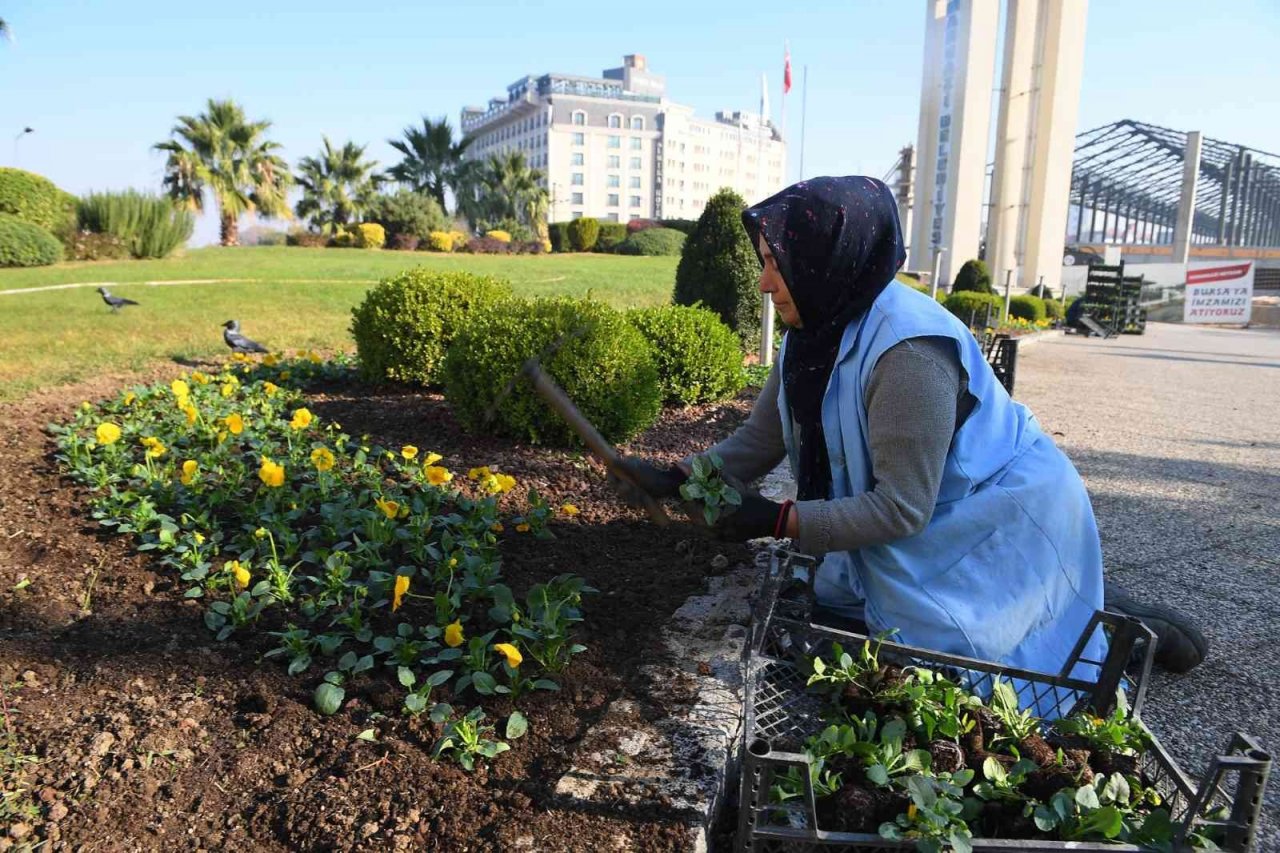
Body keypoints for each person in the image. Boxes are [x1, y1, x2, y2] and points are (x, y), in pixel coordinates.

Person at [615, 176, 1205, 677]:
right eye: (765, 264)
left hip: (991, 518)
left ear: (826, 261)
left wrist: (777, 519)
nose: (766, 284)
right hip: (934, 515)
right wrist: (680, 476)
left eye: (777, 266)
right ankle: (1072, 600)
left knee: (979, 666)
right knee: (858, 619)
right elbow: (762, 440)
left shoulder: (908, 354)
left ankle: (1114, 625)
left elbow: (901, 510)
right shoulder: (813, 329)